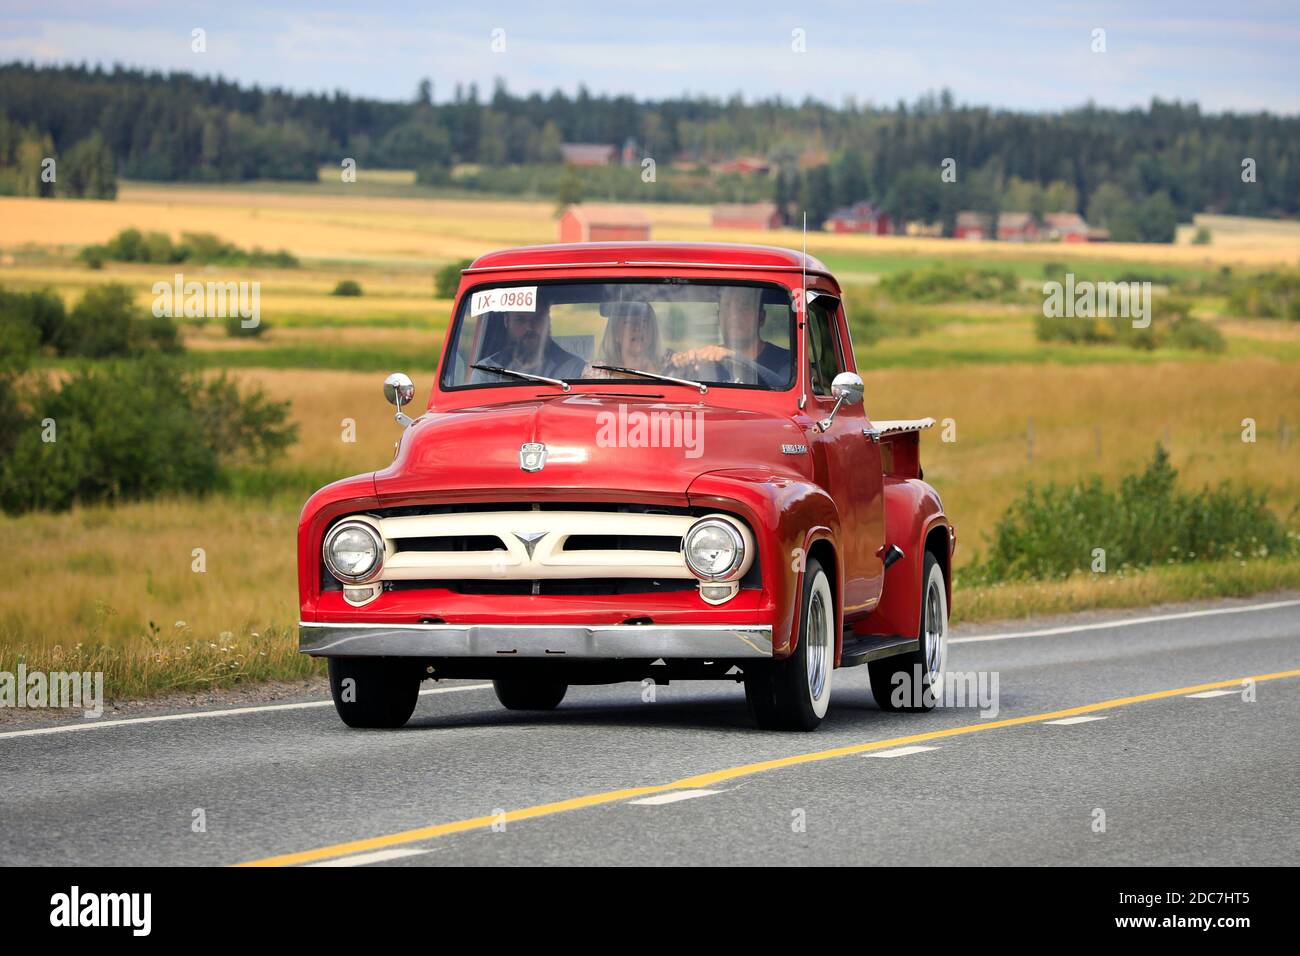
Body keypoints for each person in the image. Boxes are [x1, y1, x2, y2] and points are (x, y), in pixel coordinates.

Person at [669, 286, 790, 385]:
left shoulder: (786, 359)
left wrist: (733, 357)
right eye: (727, 307)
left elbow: (784, 387)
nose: (735, 316)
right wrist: (682, 369)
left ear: (761, 317)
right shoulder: (706, 363)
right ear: (718, 317)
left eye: (745, 307)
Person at [470, 298, 586, 383]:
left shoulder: (573, 368)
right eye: (520, 320)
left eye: (537, 319)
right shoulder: (487, 371)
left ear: (547, 321)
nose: (530, 327)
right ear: (507, 321)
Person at [585, 300, 670, 378]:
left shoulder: (668, 365)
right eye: (628, 322)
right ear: (615, 333)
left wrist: (681, 361)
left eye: (644, 321)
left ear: (653, 331)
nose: (637, 328)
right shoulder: (597, 371)